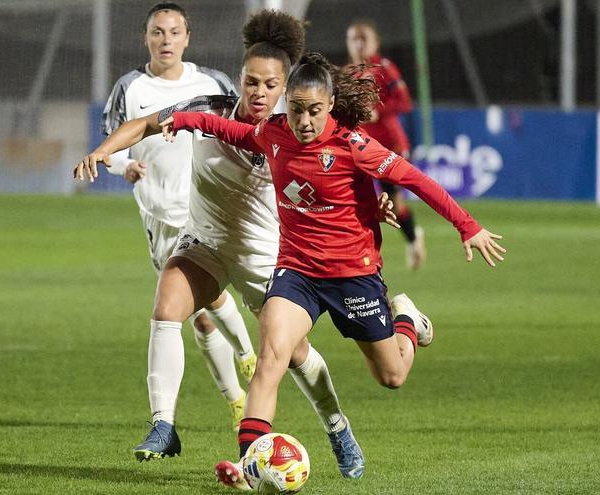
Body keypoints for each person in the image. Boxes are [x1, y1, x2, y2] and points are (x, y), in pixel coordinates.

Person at [153, 52, 505, 486]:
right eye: (296, 108)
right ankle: (251, 466)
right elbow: (234, 130)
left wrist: (467, 226)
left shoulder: (353, 146)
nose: (304, 120)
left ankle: (408, 321)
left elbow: (417, 180)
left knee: (391, 376)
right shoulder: (274, 134)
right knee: (271, 358)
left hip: (353, 277)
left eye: (314, 110)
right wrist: (188, 120)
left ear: (331, 104)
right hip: (297, 272)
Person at [79, 10, 397, 473]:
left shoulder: (295, 133)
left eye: (271, 86)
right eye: (252, 81)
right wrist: (102, 152)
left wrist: (375, 209)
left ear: (286, 88)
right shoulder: (210, 107)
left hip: (268, 258)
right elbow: (144, 124)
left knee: (295, 355)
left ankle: (337, 428)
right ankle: (164, 425)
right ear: (240, 79)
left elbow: (342, 176)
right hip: (205, 244)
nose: (260, 93)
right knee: (167, 305)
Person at [100, 2, 258, 458]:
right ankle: (236, 395)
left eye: (173, 32)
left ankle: (243, 365)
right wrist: (122, 165)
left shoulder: (212, 84)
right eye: (156, 32)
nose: (165, 40)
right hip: (158, 215)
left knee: (197, 304)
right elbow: (112, 141)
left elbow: (241, 132)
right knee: (202, 312)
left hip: (205, 207)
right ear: (146, 37)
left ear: (187, 36)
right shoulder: (131, 87)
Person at [347, 20, 427, 270]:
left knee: (393, 204)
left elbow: (405, 102)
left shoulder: (385, 68)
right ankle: (354, 255)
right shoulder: (349, 73)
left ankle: (413, 239)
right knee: (351, 201)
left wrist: (377, 111)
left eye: (364, 38)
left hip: (388, 147)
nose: (359, 44)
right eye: (354, 39)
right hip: (360, 148)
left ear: (375, 42)